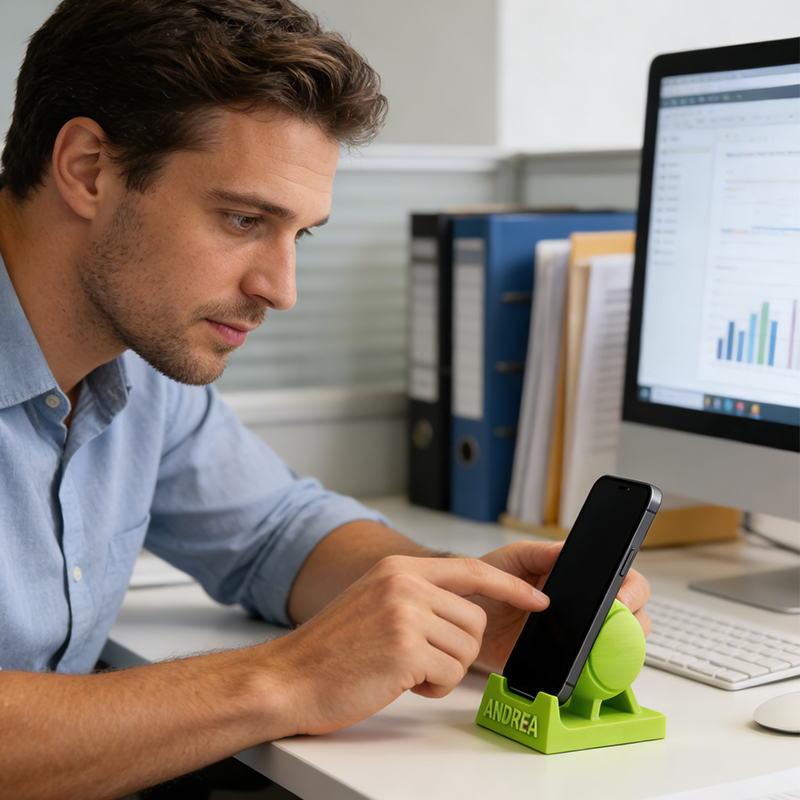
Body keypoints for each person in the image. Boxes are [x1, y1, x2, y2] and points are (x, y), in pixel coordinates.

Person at [0, 1, 651, 798]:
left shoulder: (138, 368)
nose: (281, 288)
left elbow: (277, 533)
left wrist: (456, 600)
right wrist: (282, 679)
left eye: (297, 235)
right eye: (243, 219)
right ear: (88, 168)